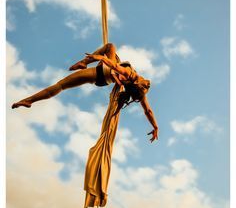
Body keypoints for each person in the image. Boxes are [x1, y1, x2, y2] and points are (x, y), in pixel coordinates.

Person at [12, 43, 158, 142]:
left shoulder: (130, 75)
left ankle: (29, 101)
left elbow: (114, 65)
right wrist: (155, 127)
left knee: (61, 85)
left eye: (146, 85)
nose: (148, 84)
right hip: (105, 77)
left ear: (138, 83)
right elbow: (148, 111)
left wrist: (99, 58)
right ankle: (83, 63)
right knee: (110, 46)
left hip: (100, 72)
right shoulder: (140, 91)